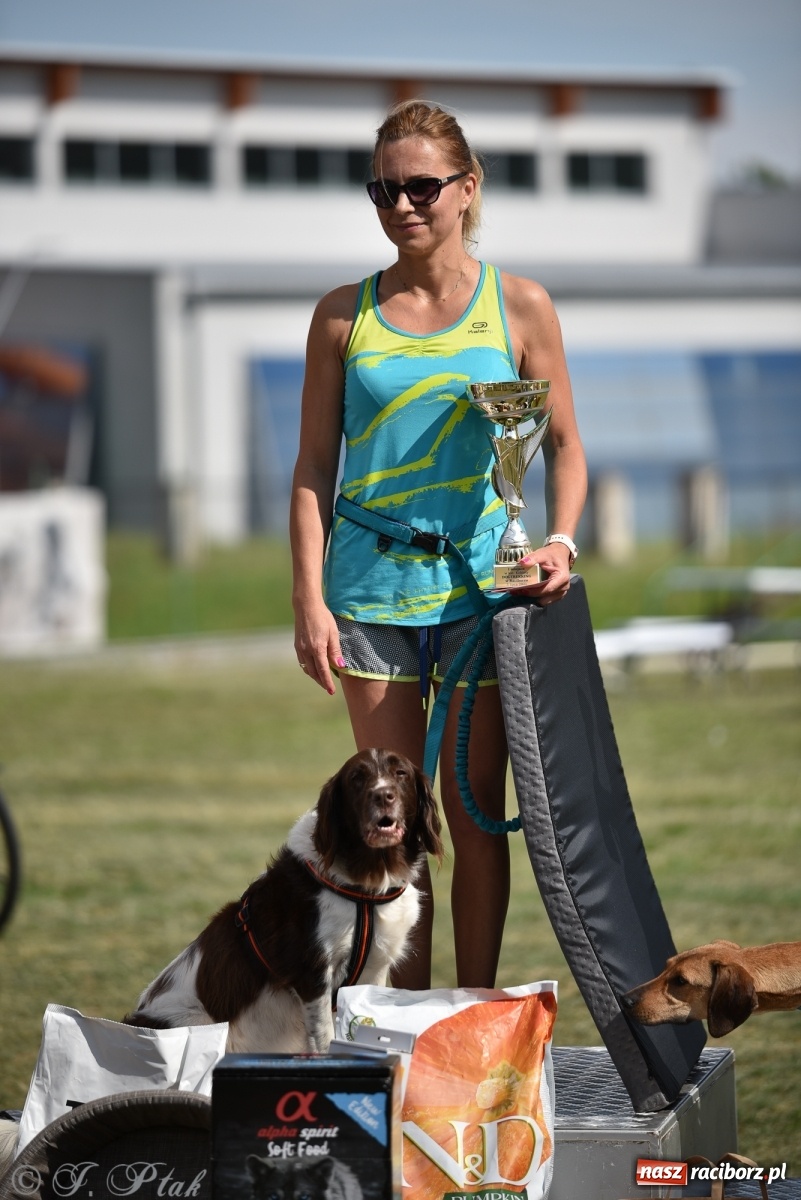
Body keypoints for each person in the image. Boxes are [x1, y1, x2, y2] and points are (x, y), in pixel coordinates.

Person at [290, 100, 587, 990]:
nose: (401, 205)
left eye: (421, 186)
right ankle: (402, 1018)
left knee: (471, 810)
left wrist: (559, 543)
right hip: (369, 593)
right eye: (383, 189)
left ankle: (472, 1009)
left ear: (466, 188)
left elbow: (564, 448)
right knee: (391, 819)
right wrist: (307, 600)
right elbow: (312, 468)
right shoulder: (342, 315)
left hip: (482, 590)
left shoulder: (519, 306)